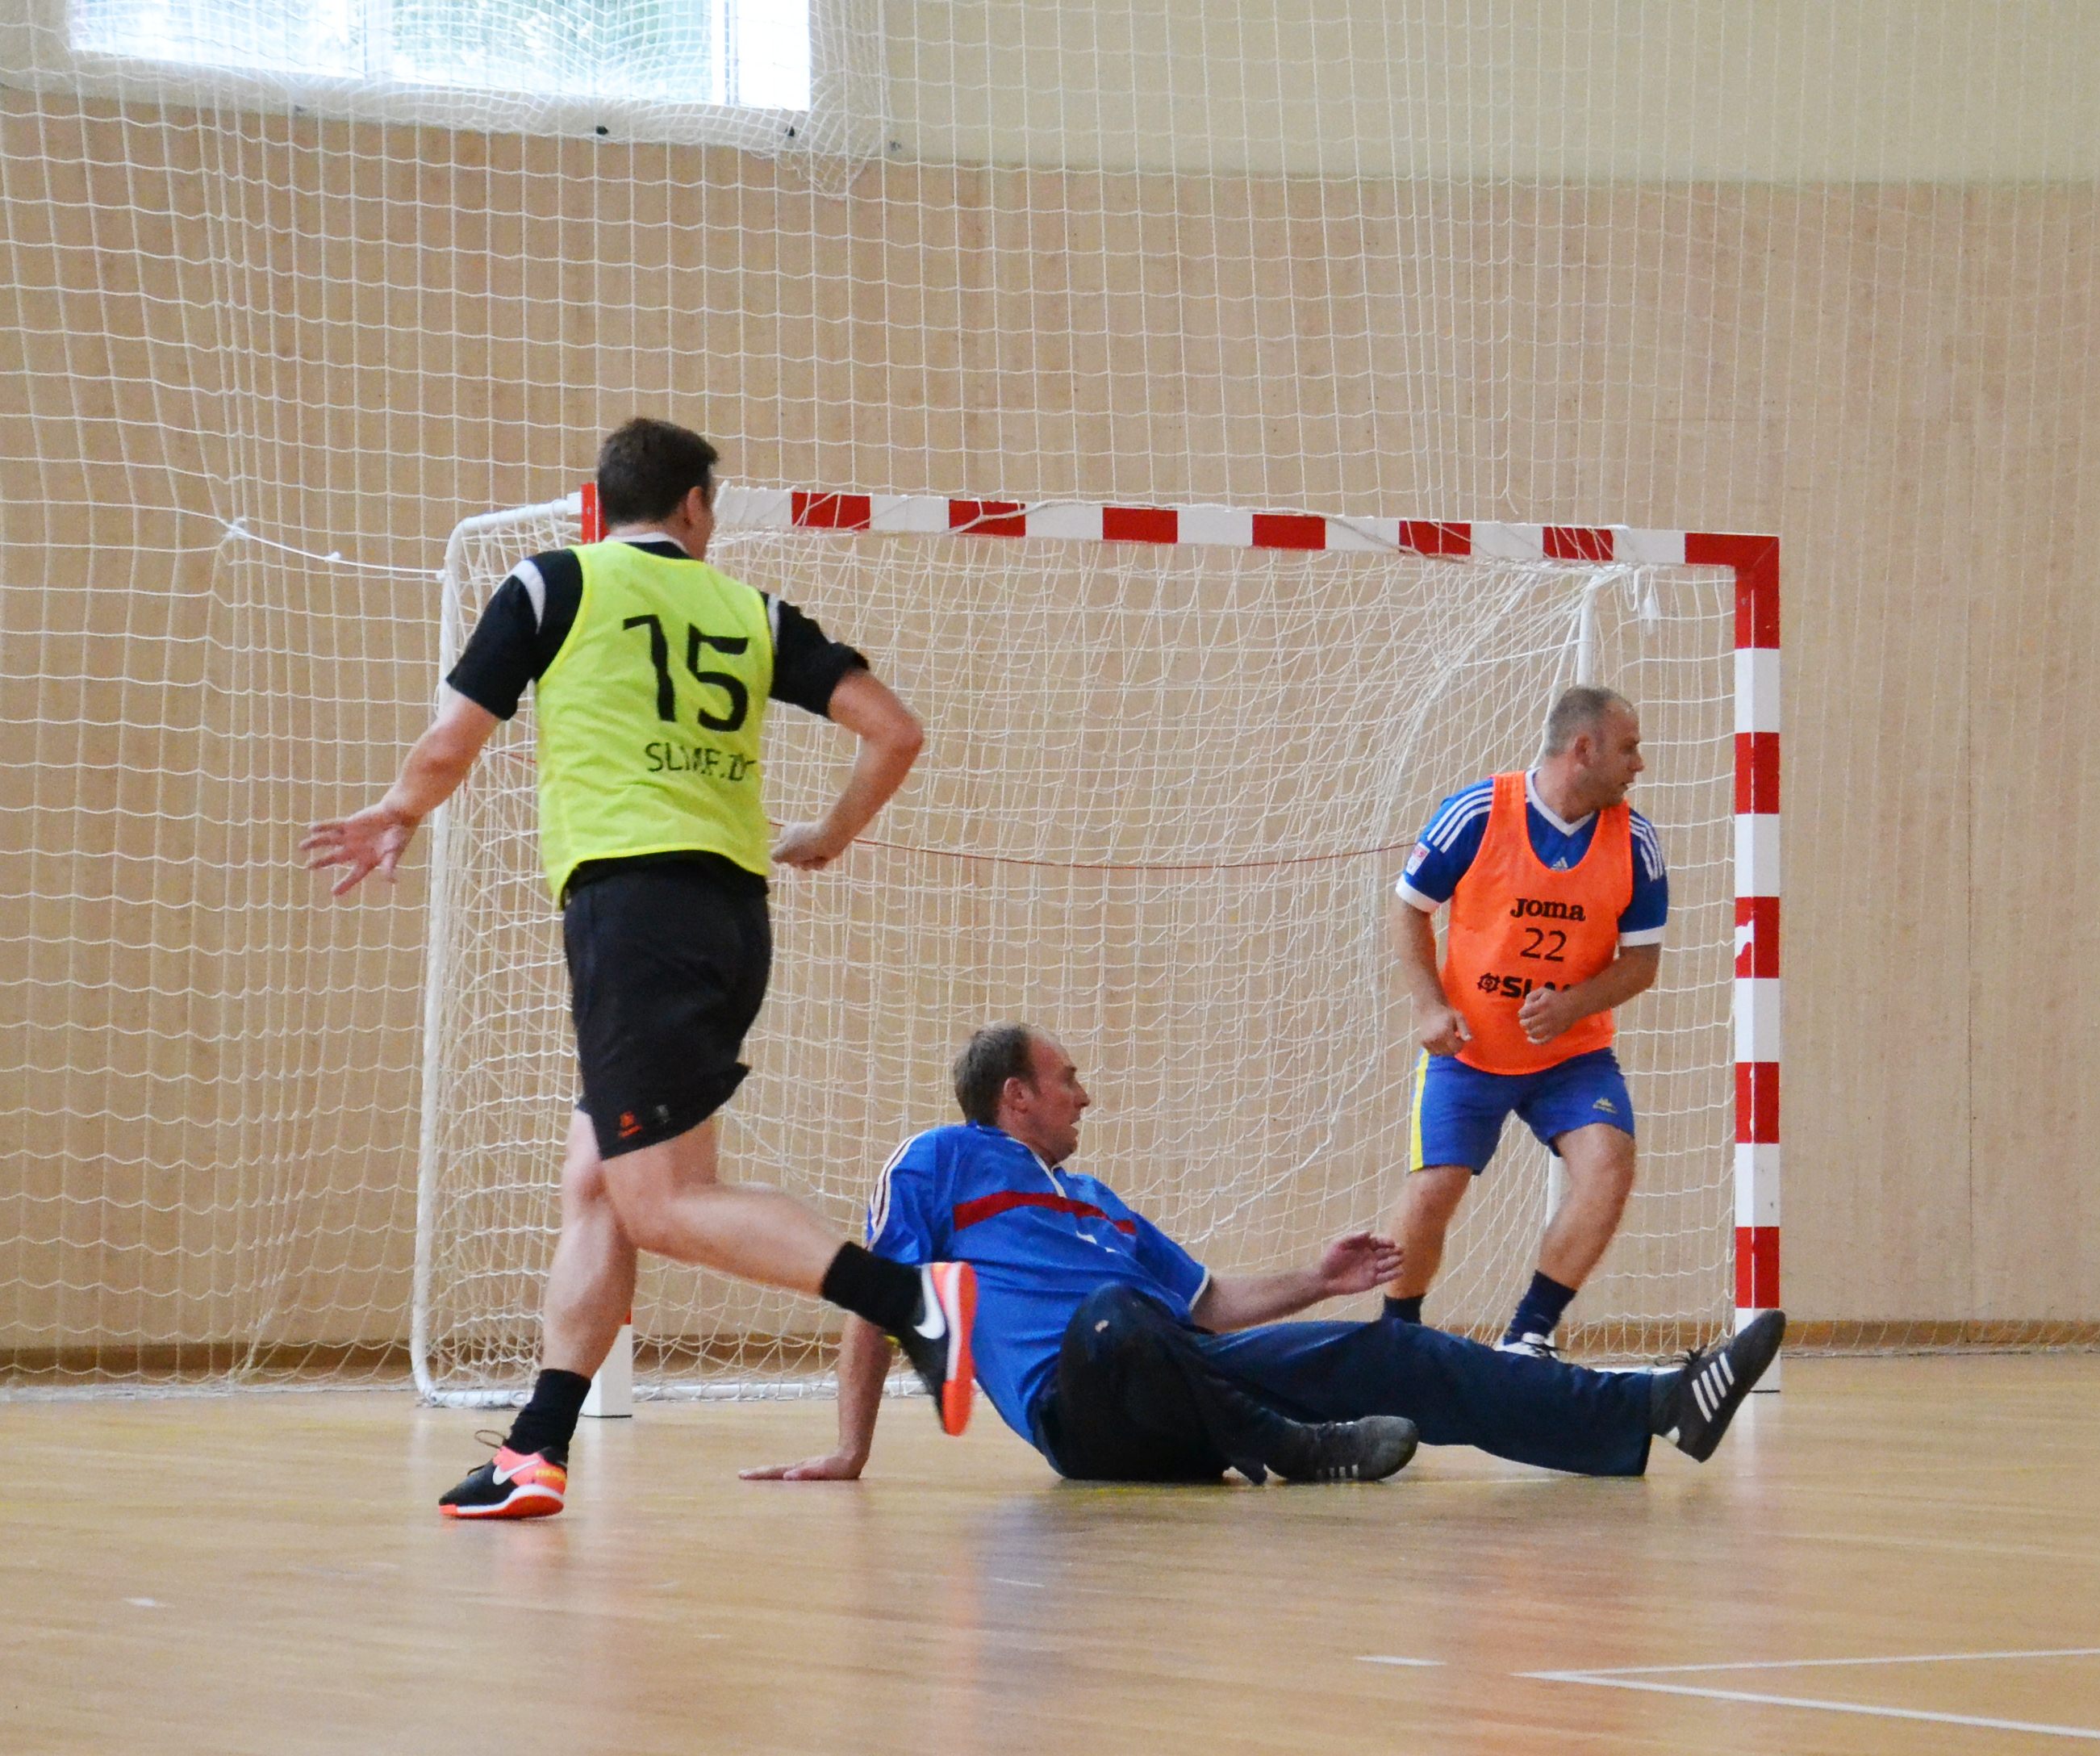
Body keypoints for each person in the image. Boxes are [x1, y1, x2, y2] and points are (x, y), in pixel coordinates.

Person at [304, 417, 977, 1521]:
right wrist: (828, 833)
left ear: (601, 499)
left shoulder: (552, 583)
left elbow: (451, 739)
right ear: (696, 505)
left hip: (633, 915)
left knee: (662, 1203)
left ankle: (908, 1298)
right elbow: (893, 732)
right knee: (600, 1186)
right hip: (728, 917)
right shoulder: (750, 610)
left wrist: (397, 811)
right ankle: (535, 1450)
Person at [744, 1025, 1781, 1487]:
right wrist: (851, 1450)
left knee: (1391, 1351)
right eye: (1066, 1079)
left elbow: (1208, 1306)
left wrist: (1317, 1281)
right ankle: (1292, 1447)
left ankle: (1651, 1409)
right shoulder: (940, 1159)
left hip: (1186, 1383)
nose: (1084, 1095)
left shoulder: (1101, 1204)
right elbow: (876, 1301)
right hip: (1087, 1411)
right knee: (1116, 1314)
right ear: (1015, 1097)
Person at [1380, 684, 1668, 1358]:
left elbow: (1641, 962)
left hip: (1571, 1058)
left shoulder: (1636, 842)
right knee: (1434, 1187)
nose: (1638, 764)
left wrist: (1572, 1004)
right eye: (1628, 748)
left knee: (1609, 1165)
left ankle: (1529, 1333)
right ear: (1583, 749)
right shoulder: (1477, 813)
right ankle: (1395, 1339)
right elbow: (1408, 907)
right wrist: (1429, 1005)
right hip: (1470, 1050)